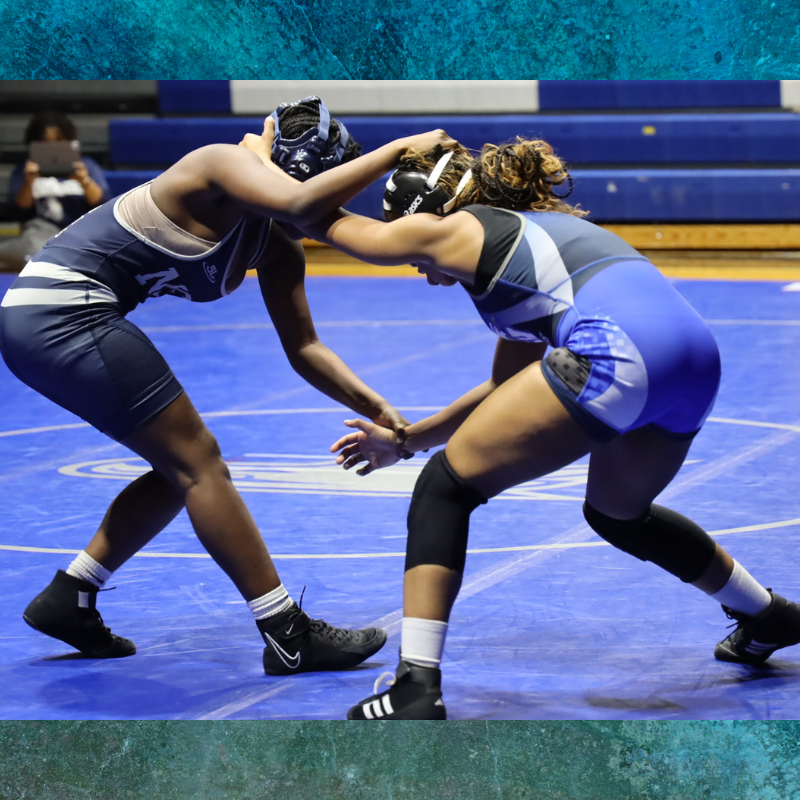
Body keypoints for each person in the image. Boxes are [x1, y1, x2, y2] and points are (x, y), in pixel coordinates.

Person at [290, 138, 800, 718]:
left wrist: (390, 152)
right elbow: (503, 393)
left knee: (446, 488)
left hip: (621, 352)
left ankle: (414, 689)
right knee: (617, 513)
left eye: (407, 240)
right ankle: (768, 615)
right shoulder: (527, 245)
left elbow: (309, 215)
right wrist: (404, 441)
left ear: (429, 215)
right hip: (694, 362)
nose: (415, 262)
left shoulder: (460, 227)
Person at [0, 96, 455, 678]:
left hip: (53, 316)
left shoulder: (275, 240)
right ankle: (287, 633)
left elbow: (305, 348)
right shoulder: (219, 162)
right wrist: (398, 148)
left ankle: (71, 595)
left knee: (179, 469)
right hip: (61, 312)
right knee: (202, 465)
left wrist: (377, 406)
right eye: (319, 190)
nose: (318, 212)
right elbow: (296, 200)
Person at [0, 111, 109, 272]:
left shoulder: (86, 165)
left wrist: (84, 181)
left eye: (58, 141)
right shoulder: (24, 169)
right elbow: (18, 210)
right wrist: (29, 182)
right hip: (40, 235)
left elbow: (103, 203)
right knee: (35, 248)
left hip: (81, 231)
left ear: (69, 140)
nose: (53, 148)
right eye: (45, 143)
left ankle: (49, 262)